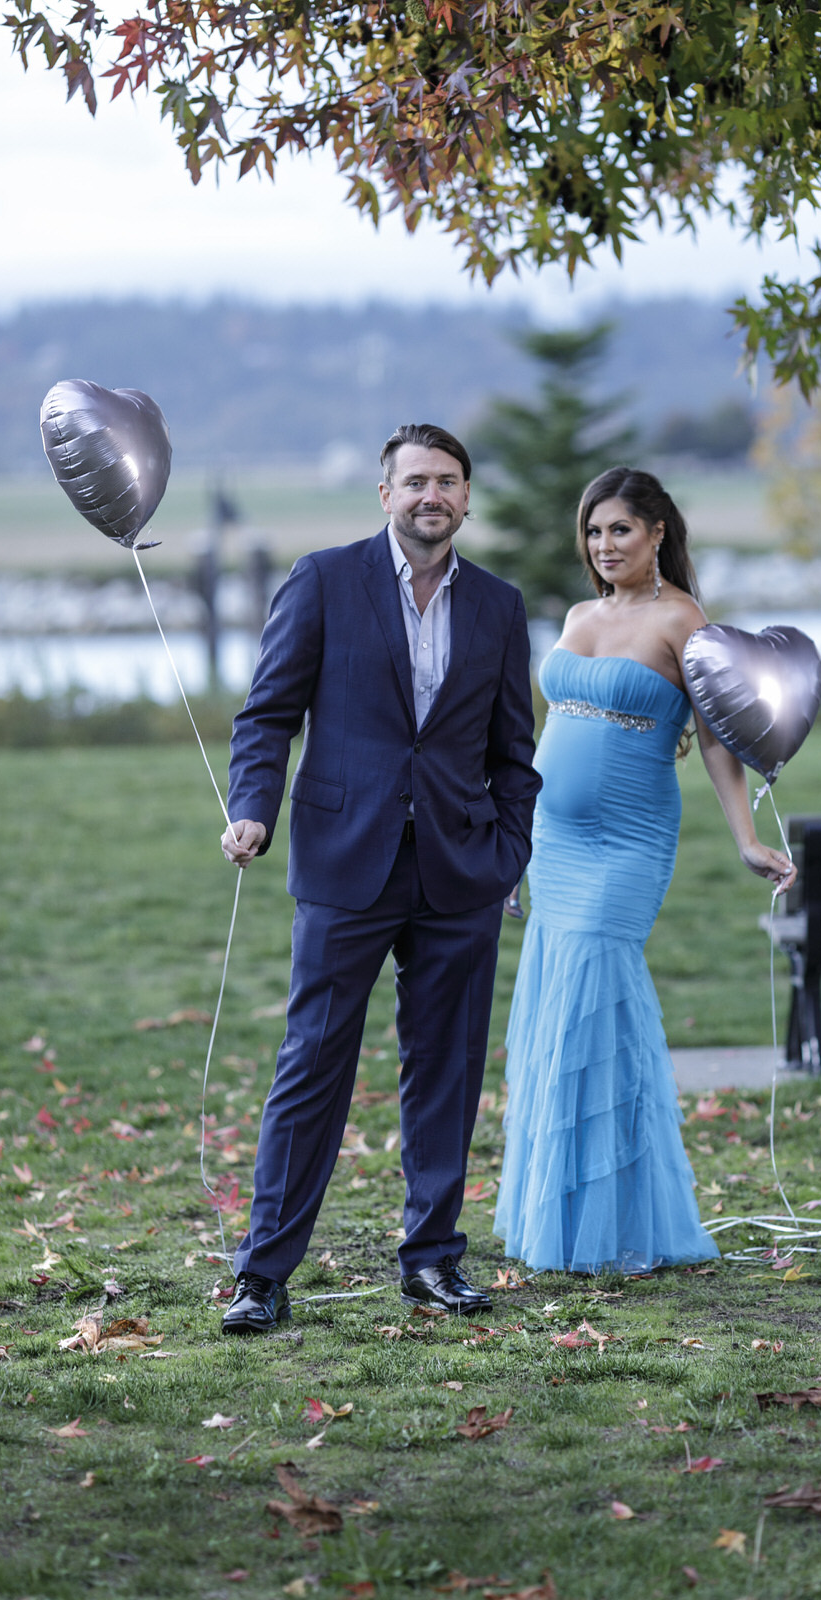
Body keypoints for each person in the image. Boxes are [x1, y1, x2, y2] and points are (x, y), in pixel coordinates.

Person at [220, 423, 541, 1332]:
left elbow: (512, 751)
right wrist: (253, 808)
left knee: (446, 1069)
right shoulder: (324, 580)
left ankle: (432, 1260)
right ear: (385, 494)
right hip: (343, 863)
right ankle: (263, 1274)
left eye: (447, 480)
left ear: (466, 497)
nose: (431, 495)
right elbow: (267, 714)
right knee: (312, 1064)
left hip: (459, 871)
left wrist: (508, 851)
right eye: (415, 481)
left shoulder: (498, 604)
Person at [493, 467, 795, 1275]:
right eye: (593, 532)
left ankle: (621, 1218)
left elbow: (719, 740)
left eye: (619, 529)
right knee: (557, 1009)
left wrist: (745, 839)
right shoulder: (578, 615)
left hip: (627, 840)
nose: (604, 545)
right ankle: (562, 1217)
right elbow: (544, 734)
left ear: (657, 532)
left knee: (595, 1002)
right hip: (552, 839)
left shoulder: (683, 620)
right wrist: (511, 842)